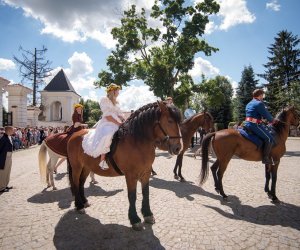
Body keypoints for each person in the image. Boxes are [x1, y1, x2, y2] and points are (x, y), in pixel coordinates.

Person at [82, 83, 125, 170]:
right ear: (113, 91)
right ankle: (102, 159)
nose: (118, 93)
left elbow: (119, 114)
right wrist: (118, 123)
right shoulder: (104, 100)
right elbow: (108, 116)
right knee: (108, 135)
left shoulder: (117, 102)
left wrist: (124, 120)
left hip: (117, 121)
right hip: (108, 122)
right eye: (117, 91)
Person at [244, 89, 274, 164]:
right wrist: (273, 121)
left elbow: (252, 115)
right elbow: (267, 115)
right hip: (255, 125)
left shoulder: (249, 103)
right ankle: (265, 158)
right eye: (262, 96)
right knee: (269, 138)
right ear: (260, 95)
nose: (263, 97)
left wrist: (261, 121)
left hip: (247, 124)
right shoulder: (259, 103)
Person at [0, 126, 14, 193]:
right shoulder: (3, 138)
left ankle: (5, 185)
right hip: (4, 157)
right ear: (8, 130)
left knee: (8, 171)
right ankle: (1, 187)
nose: (13, 131)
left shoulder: (9, 137)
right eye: (12, 130)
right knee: (3, 172)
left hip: (9, 156)